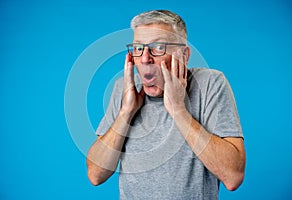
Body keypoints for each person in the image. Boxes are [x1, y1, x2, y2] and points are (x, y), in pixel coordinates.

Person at [86, 10, 246, 199]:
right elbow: (95, 175)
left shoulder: (210, 83)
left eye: (158, 47)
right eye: (138, 48)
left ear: (184, 55)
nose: (145, 58)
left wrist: (178, 109)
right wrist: (126, 112)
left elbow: (233, 177)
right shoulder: (125, 88)